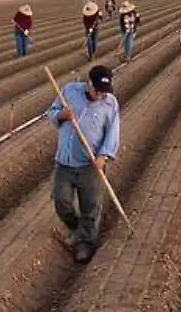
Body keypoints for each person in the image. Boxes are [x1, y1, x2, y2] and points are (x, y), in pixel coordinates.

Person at [45, 64, 121, 264]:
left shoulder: (110, 104)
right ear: (89, 83)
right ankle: (77, 229)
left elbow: (112, 133)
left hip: (90, 164)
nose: (99, 95)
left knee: (91, 207)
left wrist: (103, 157)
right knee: (61, 202)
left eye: (104, 91)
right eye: (97, 90)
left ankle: (85, 243)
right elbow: (51, 112)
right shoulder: (69, 91)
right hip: (65, 161)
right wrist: (62, 116)